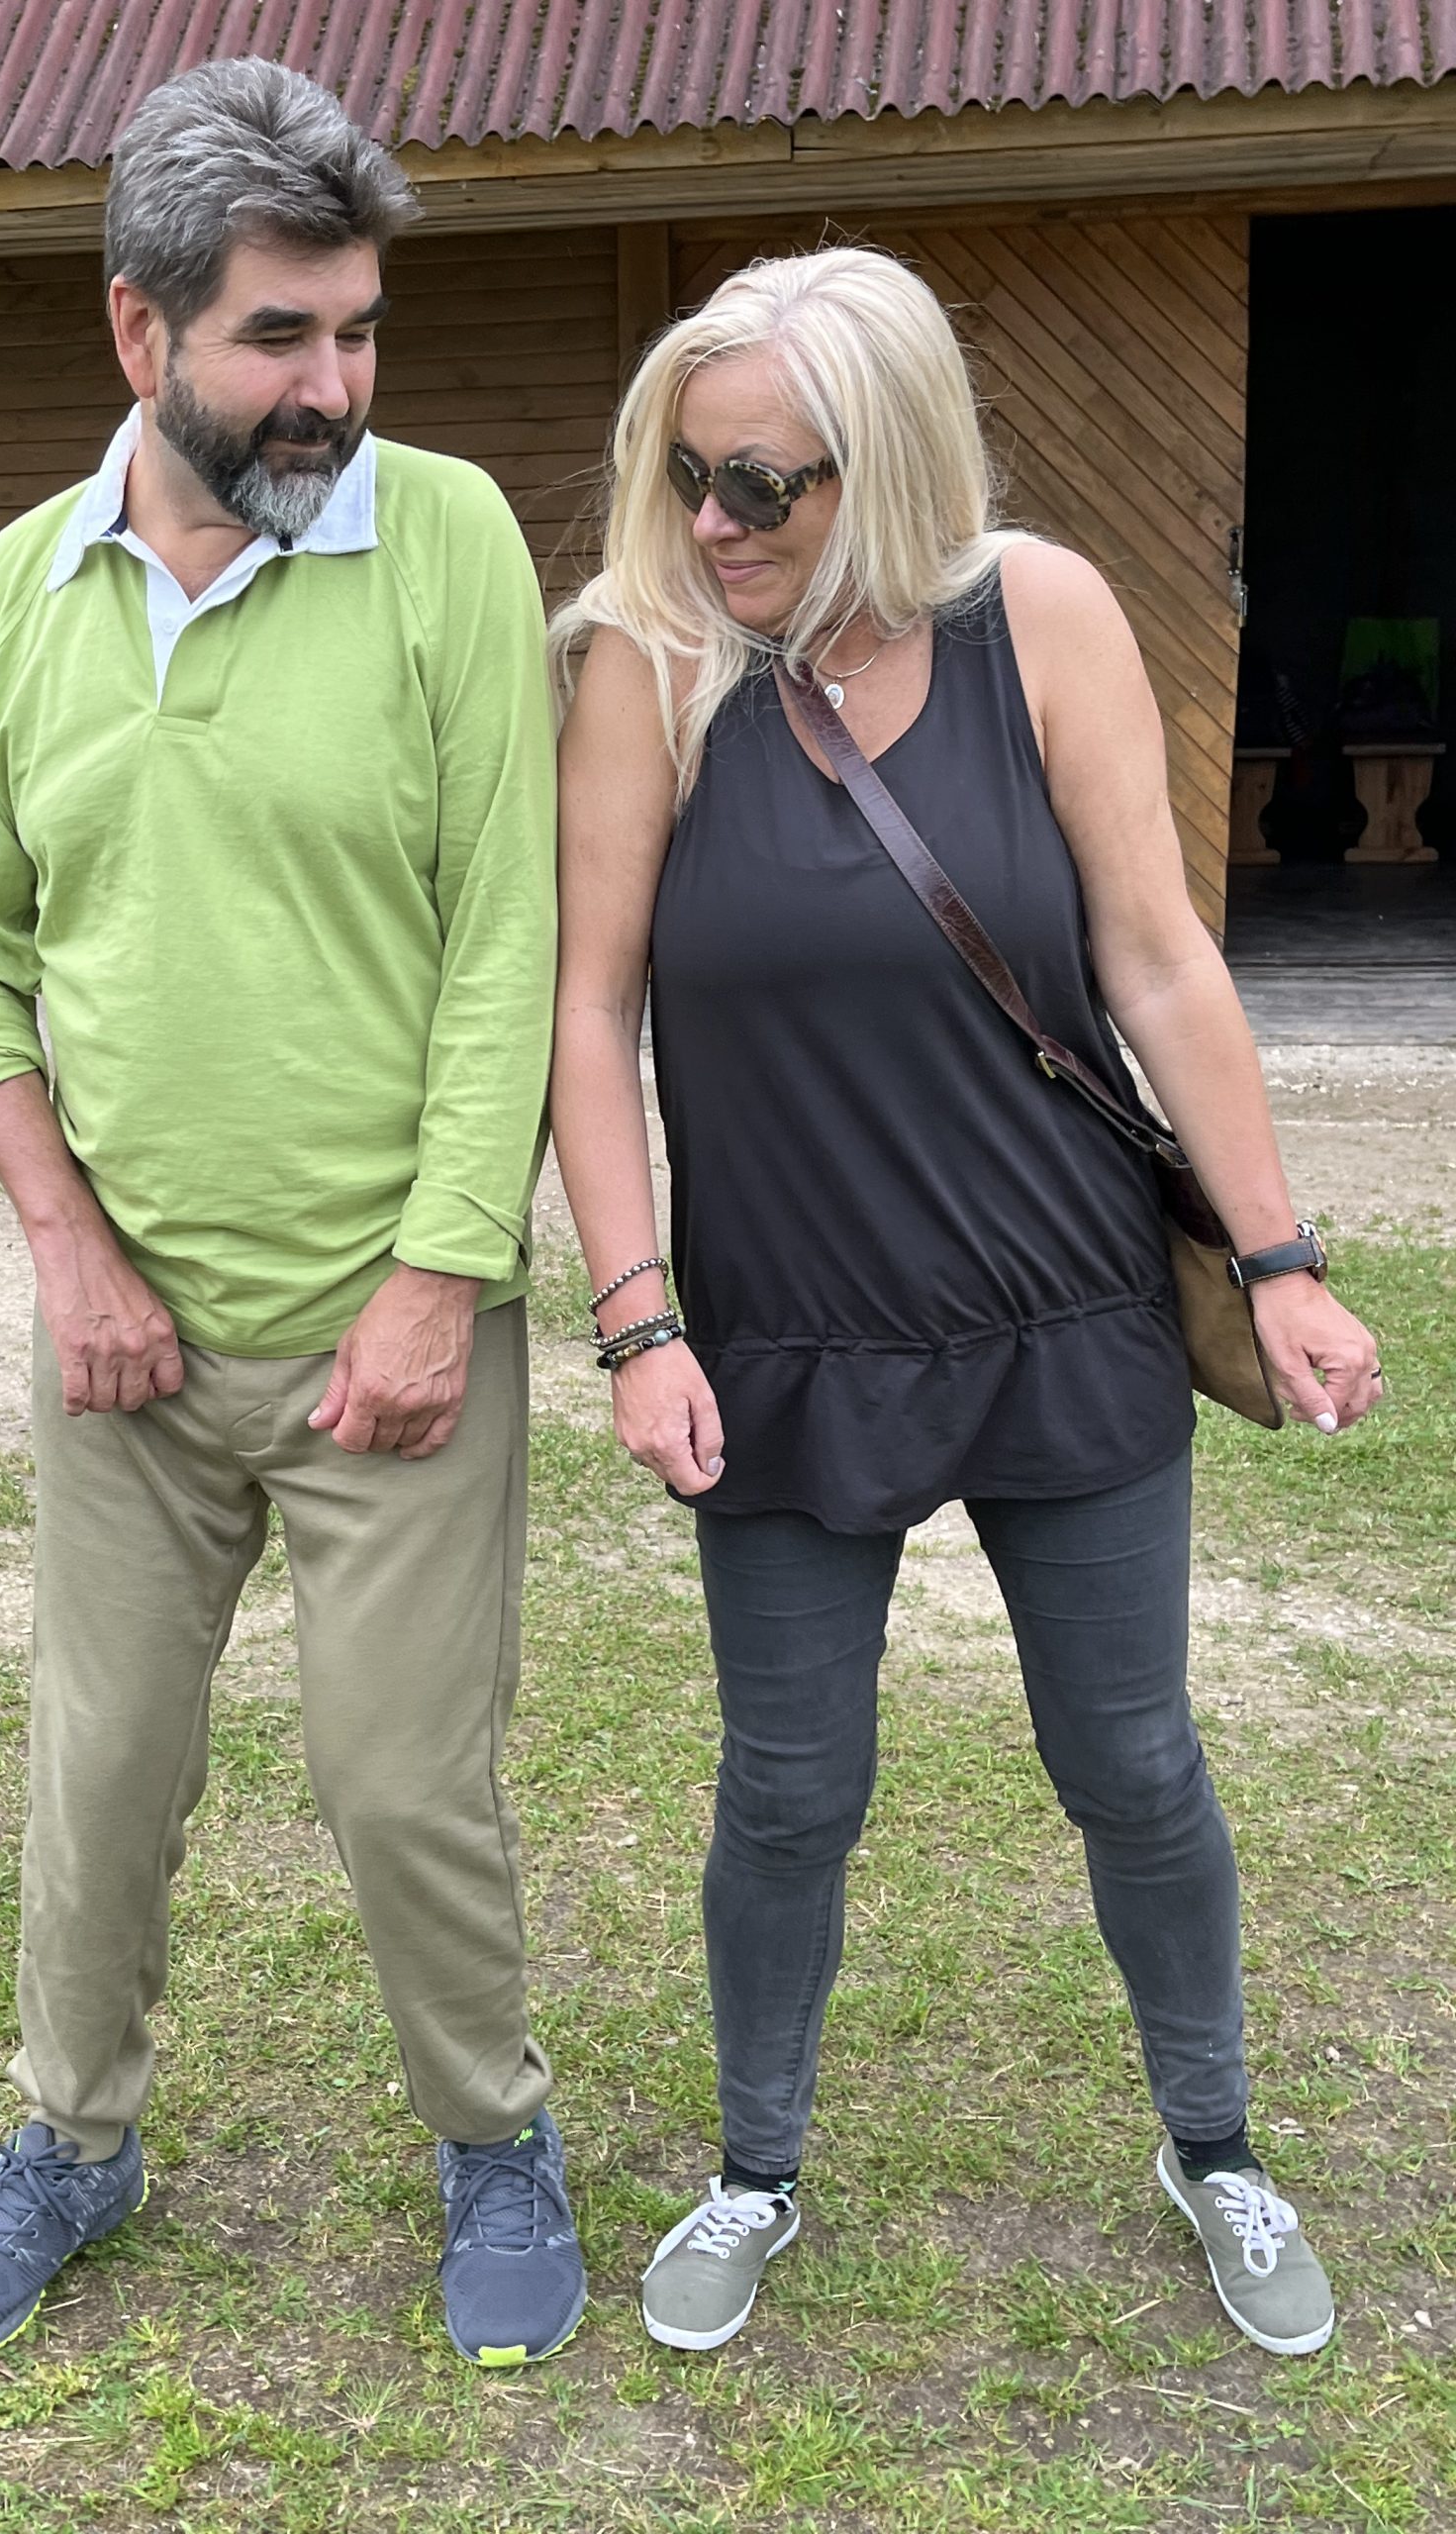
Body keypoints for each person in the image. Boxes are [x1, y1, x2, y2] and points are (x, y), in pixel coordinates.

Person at [549, 247, 1382, 2362]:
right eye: (690, 475)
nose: (715, 522)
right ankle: (756, 2168)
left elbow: (1160, 957)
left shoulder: (1047, 617)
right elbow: (588, 1006)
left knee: (1133, 1761)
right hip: (783, 1339)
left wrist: (1278, 1259)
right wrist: (639, 1318)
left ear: (894, 459)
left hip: (1064, 1308)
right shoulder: (655, 661)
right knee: (788, 1786)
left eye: (765, 483)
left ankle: (1215, 2146)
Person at [0, 58, 583, 2372]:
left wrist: (440, 1276)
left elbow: (506, 943)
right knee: (99, 1769)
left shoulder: (448, 543)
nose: (334, 387)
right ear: (140, 329)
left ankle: (493, 2132)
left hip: (391, 1328)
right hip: (132, 1345)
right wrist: (70, 1253)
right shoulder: (18, 590)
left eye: (359, 330)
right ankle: (73, 2136)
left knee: (404, 1780)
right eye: (280, 335)